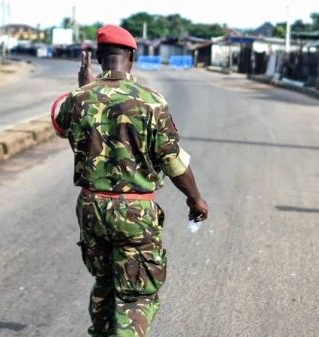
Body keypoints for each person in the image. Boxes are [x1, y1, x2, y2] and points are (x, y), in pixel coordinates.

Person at [54, 25, 209, 337]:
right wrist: (195, 199)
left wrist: (84, 88)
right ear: (133, 56)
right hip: (134, 213)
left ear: (98, 58)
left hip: (91, 207)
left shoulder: (78, 99)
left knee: (104, 282)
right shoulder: (151, 102)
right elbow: (172, 160)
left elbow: (63, 127)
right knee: (136, 294)